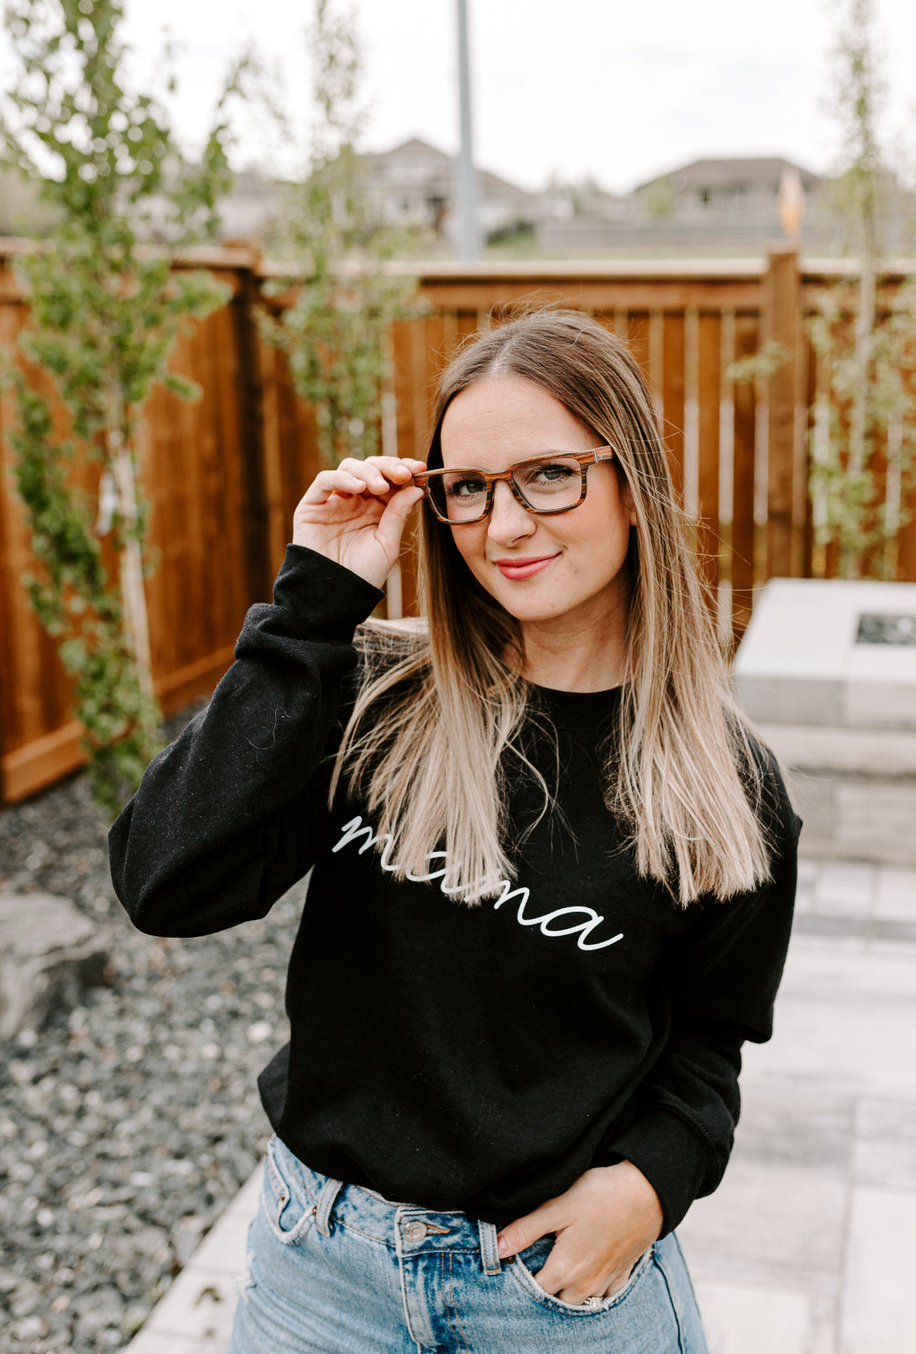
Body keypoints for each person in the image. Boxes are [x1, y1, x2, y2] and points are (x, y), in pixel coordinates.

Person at [110, 309, 800, 1354]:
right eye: (468, 488)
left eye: (548, 476)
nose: (505, 524)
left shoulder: (725, 787)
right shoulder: (373, 704)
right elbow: (163, 879)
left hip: (559, 1299)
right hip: (321, 1276)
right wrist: (312, 606)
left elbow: (708, 1043)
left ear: (631, 482)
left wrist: (651, 1184)